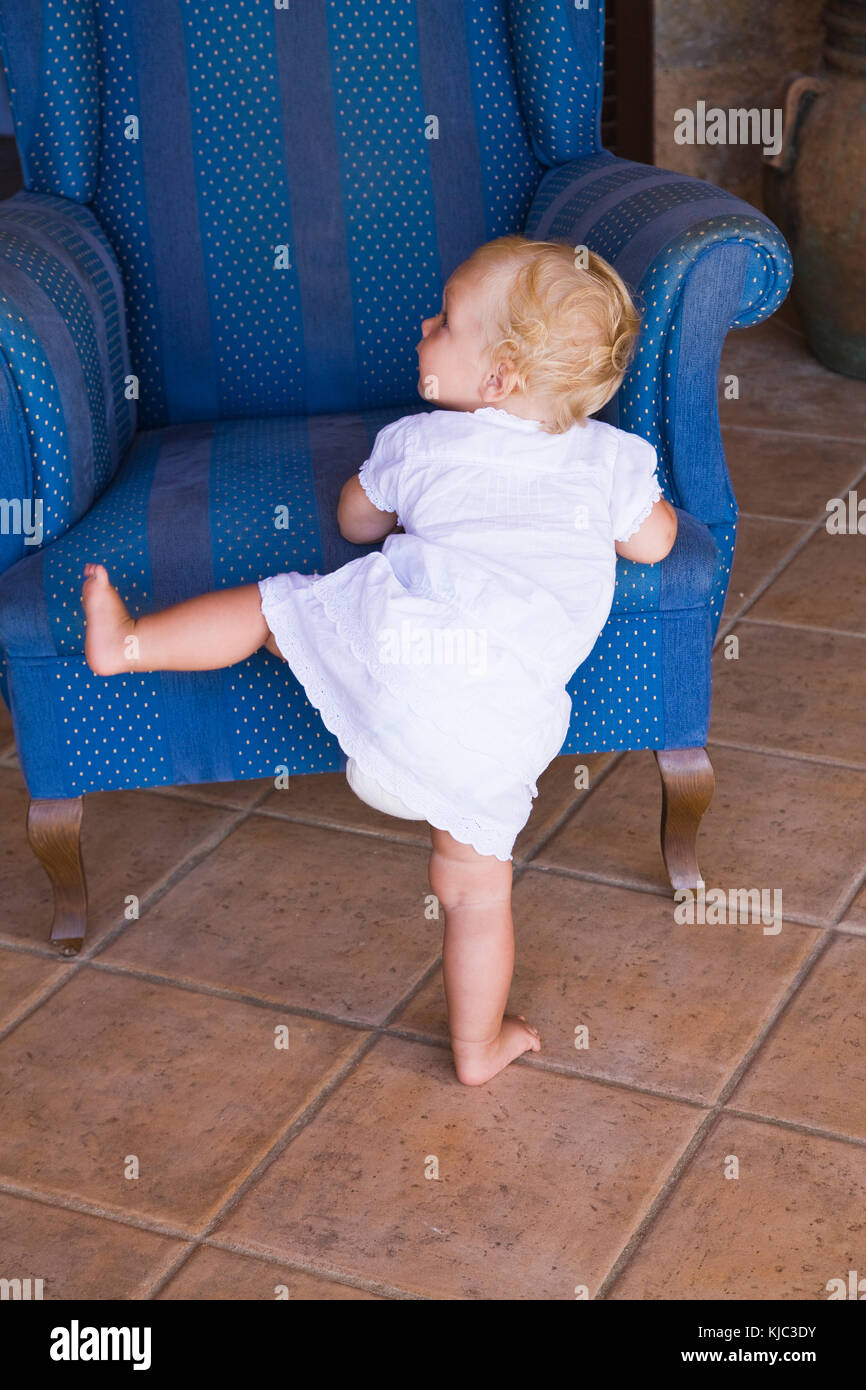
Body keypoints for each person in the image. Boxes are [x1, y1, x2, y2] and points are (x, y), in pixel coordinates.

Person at [81, 235, 677, 1086]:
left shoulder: (423, 443)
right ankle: (477, 1050)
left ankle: (130, 644)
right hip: (494, 731)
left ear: (499, 377)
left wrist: (395, 502)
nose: (424, 323)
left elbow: (356, 520)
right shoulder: (608, 460)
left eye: (444, 320)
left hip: (393, 667)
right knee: (477, 897)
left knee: (269, 609)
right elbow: (655, 545)